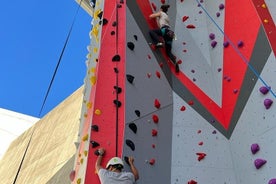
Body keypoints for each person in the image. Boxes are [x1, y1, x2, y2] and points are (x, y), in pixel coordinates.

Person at [149, 4, 179, 73]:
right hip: (171, 33)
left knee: (151, 31)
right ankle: (175, 63)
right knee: (168, 52)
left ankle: (159, 42)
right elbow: (162, 25)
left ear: (161, 9)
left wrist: (156, 15)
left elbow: (150, 16)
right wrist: (158, 19)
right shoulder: (167, 17)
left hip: (165, 30)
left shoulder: (161, 13)